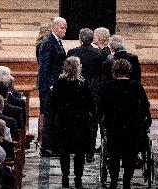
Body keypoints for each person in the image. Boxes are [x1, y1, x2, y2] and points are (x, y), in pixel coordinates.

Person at [98, 59, 151, 189]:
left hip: (114, 126)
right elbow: (146, 106)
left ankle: (114, 181)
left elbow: (100, 108)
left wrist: (103, 124)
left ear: (114, 71)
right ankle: (127, 181)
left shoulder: (107, 87)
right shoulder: (137, 86)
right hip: (133, 126)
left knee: (114, 155)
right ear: (129, 71)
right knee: (130, 155)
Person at [50, 56, 97, 188]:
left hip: (63, 121)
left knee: (64, 151)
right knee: (80, 152)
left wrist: (55, 119)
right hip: (80, 122)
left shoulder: (59, 83)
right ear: (78, 68)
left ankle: (65, 176)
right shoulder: (83, 83)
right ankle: (78, 178)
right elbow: (91, 104)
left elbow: (53, 104)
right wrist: (93, 118)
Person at [67, 28, 103, 161]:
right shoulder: (99, 54)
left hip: (76, 90)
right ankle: (90, 150)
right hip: (94, 92)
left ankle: (76, 147)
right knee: (92, 121)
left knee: (76, 120)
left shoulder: (72, 52)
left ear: (80, 39)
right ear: (92, 39)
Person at [38, 17, 67, 156]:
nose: (65, 31)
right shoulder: (48, 43)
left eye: (65, 28)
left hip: (55, 85)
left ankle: (53, 144)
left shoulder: (57, 42)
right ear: (54, 27)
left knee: (54, 116)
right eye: (62, 28)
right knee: (49, 116)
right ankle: (47, 146)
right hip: (49, 87)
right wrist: (49, 86)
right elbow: (45, 67)